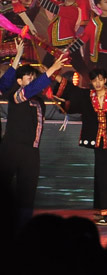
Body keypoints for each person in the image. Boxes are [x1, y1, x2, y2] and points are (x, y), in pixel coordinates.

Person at [56, 67, 107, 224]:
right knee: (104, 177)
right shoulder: (88, 97)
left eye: (100, 80)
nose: (98, 83)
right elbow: (72, 91)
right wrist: (54, 75)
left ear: (105, 80)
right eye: (94, 81)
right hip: (100, 144)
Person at [0, 46, 66, 227]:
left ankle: (23, 226)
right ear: (19, 81)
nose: (32, 80)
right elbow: (27, 87)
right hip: (11, 148)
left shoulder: (38, 101)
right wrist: (51, 69)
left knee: (28, 190)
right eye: (28, 77)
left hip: (31, 151)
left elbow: (37, 89)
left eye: (33, 77)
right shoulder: (17, 95)